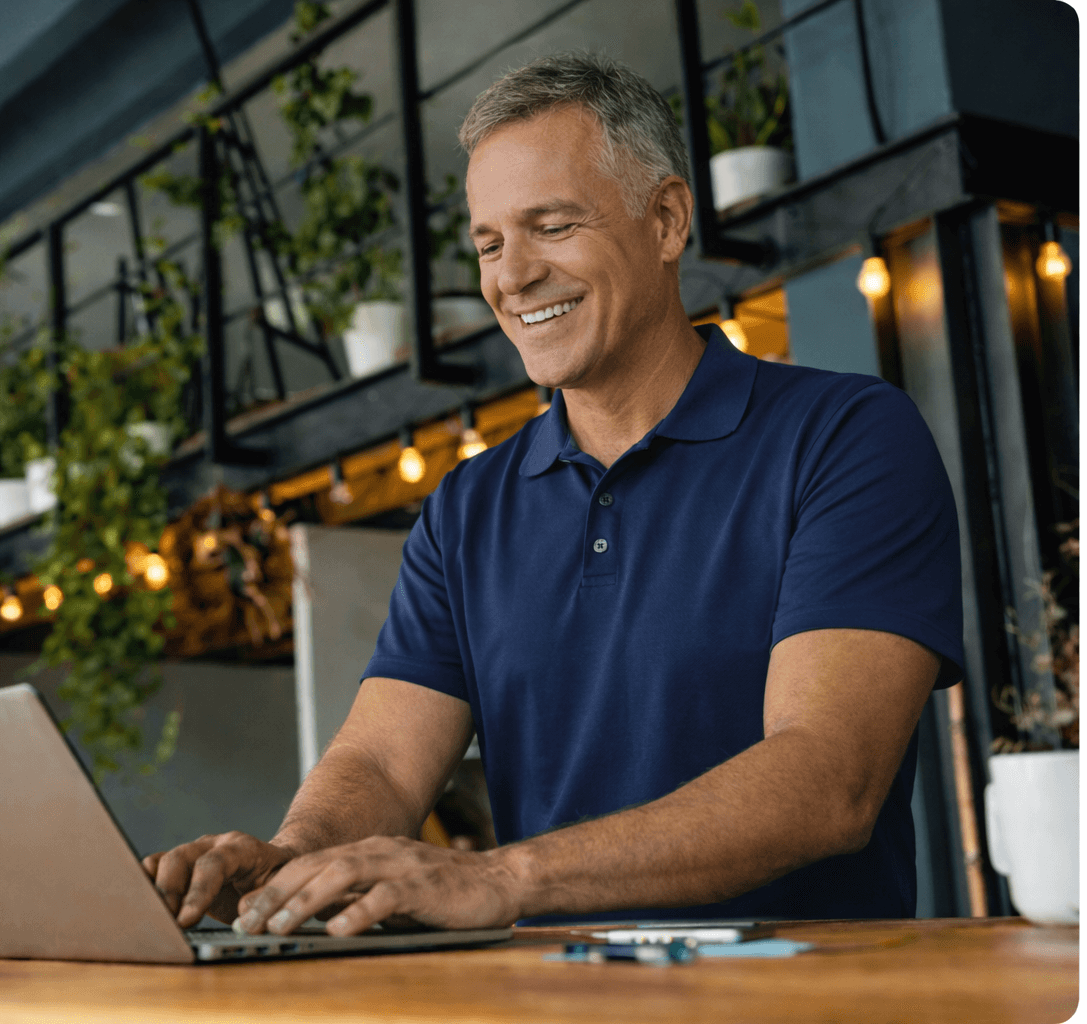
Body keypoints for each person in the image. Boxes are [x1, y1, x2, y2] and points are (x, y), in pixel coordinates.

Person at [143, 51, 964, 935]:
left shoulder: (845, 437)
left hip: (800, 993)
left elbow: (829, 777)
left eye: (553, 226)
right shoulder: (464, 509)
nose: (512, 276)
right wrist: (292, 861)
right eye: (489, 244)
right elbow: (380, 760)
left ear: (667, 220)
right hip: (555, 991)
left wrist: (502, 877)